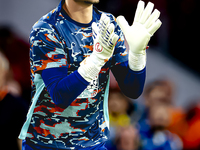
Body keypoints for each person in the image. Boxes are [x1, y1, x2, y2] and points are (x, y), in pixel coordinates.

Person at [19, 0, 161, 149]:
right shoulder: (46, 29)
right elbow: (59, 96)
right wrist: (96, 60)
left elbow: (132, 90)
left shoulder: (108, 24)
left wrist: (137, 54)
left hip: (93, 144)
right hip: (46, 144)